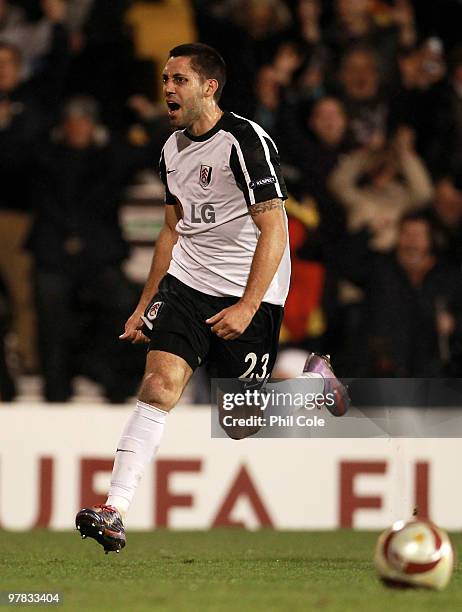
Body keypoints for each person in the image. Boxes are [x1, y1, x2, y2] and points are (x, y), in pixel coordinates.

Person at [75, 43, 348, 553]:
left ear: (208, 86)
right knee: (158, 384)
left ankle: (312, 378)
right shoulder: (171, 149)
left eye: (178, 79)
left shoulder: (245, 140)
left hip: (250, 288)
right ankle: (115, 510)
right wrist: (144, 304)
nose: (168, 89)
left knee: (241, 425)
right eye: (164, 79)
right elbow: (170, 230)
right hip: (188, 282)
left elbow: (275, 228)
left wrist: (249, 304)